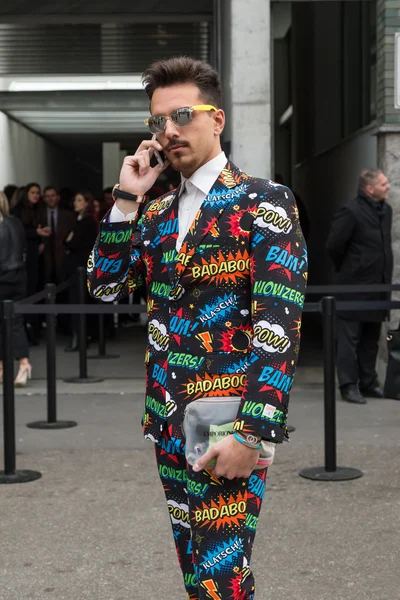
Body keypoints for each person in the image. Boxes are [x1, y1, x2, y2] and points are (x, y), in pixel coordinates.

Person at [88, 57, 307, 599]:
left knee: (220, 583)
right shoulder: (157, 212)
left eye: (183, 114)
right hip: (166, 420)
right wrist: (125, 198)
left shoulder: (264, 201)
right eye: (158, 121)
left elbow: (278, 326)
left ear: (218, 120)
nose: (169, 131)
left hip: (226, 424)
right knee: (196, 573)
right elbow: (104, 288)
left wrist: (252, 433)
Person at [326, 168, 393, 404]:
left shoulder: (386, 210)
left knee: (371, 340)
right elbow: (334, 245)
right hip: (353, 287)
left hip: (378, 287)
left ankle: (368, 383)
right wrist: (353, 268)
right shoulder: (351, 211)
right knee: (349, 341)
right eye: (384, 184)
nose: (388, 187)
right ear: (369, 188)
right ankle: (348, 385)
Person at [0, 192, 32, 386]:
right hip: (19, 277)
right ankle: (23, 364)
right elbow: (24, 249)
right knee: (16, 322)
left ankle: (3, 367)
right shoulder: (16, 222)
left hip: (2, 278)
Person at [12, 182, 49, 345]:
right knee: (27, 292)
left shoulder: (38, 210)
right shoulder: (19, 211)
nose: (36, 195)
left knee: (36, 290)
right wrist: (36, 233)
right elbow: (19, 233)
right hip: (25, 258)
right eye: (33, 192)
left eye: (38, 192)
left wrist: (40, 237)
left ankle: (34, 327)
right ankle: (28, 330)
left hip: (36, 257)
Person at [64, 191, 98, 351]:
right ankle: (81, 336)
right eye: (75, 200)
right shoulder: (78, 219)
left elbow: (72, 242)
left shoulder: (87, 220)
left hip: (81, 267)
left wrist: (69, 240)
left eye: (79, 200)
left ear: (86, 203)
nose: (75, 203)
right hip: (77, 267)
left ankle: (82, 337)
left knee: (79, 301)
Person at [41, 186, 76, 284]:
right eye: (47, 196)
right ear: (44, 199)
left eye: (52, 195)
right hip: (45, 257)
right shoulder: (39, 214)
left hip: (63, 256)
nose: (50, 198)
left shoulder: (68, 215)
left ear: (58, 197)